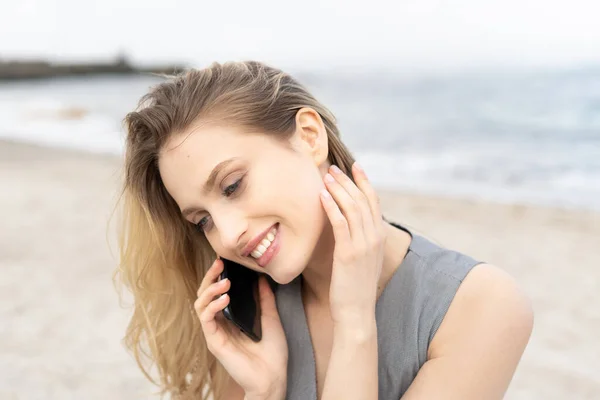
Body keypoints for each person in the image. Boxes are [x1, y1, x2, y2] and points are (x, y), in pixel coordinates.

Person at [114, 61, 534, 400]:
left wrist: (354, 323)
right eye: (202, 220)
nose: (226, 235)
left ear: (310, 137)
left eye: (232, 186)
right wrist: (264, 393)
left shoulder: (480, 305)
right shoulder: (250, 311)